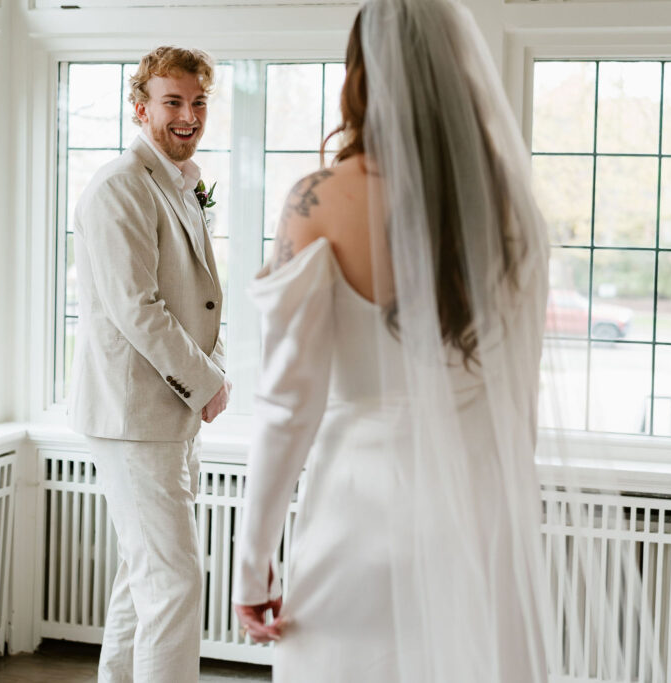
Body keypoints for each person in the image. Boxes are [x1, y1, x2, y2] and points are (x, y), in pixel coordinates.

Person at [230, 0, 574, 680]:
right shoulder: (513, 206)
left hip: (361, 500)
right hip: (481, 499)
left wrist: (253, 561)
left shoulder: (318, 198)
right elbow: (521, 397)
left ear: (358, 75)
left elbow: (285, 407)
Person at [68, 46, 231, 683]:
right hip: (134, 414)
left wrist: (209, 375)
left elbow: (202, 297)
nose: (188, 115)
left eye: (198, 102)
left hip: (170, 413)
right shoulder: (118, 187)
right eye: (173, 101)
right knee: (175, 583)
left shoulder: (179, 184)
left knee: (143, 581)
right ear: (141, 108)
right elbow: (139, 309)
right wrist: (208, 381)